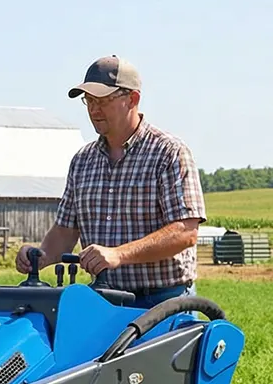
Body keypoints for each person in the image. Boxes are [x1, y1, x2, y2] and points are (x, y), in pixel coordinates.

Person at [16, 56, 205, 308]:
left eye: (103, 101)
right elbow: (65, 231)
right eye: (89, 101)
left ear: (133, 99)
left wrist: (118, 254)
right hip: (103, 300)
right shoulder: (82, 161)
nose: (94, 110)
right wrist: (40, 256)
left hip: (162, 301)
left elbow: (185, 232)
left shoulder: (169, 152)